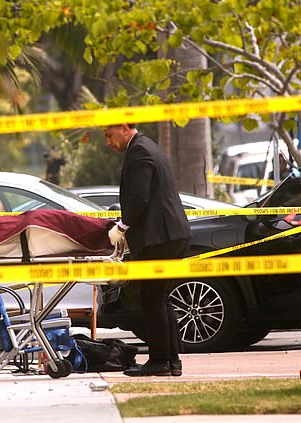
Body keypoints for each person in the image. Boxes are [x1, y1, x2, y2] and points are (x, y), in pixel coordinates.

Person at [103, 123, 192, 377]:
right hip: (172, 236)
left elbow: (140, 196)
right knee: (161, 299)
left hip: (160, 238)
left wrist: (122, 227)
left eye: (109, 135)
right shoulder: (148, 146)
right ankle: (172, 361)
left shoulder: (139, 151)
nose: (108, 143)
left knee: (151, 299)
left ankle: (160, 361)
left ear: (123, 127)